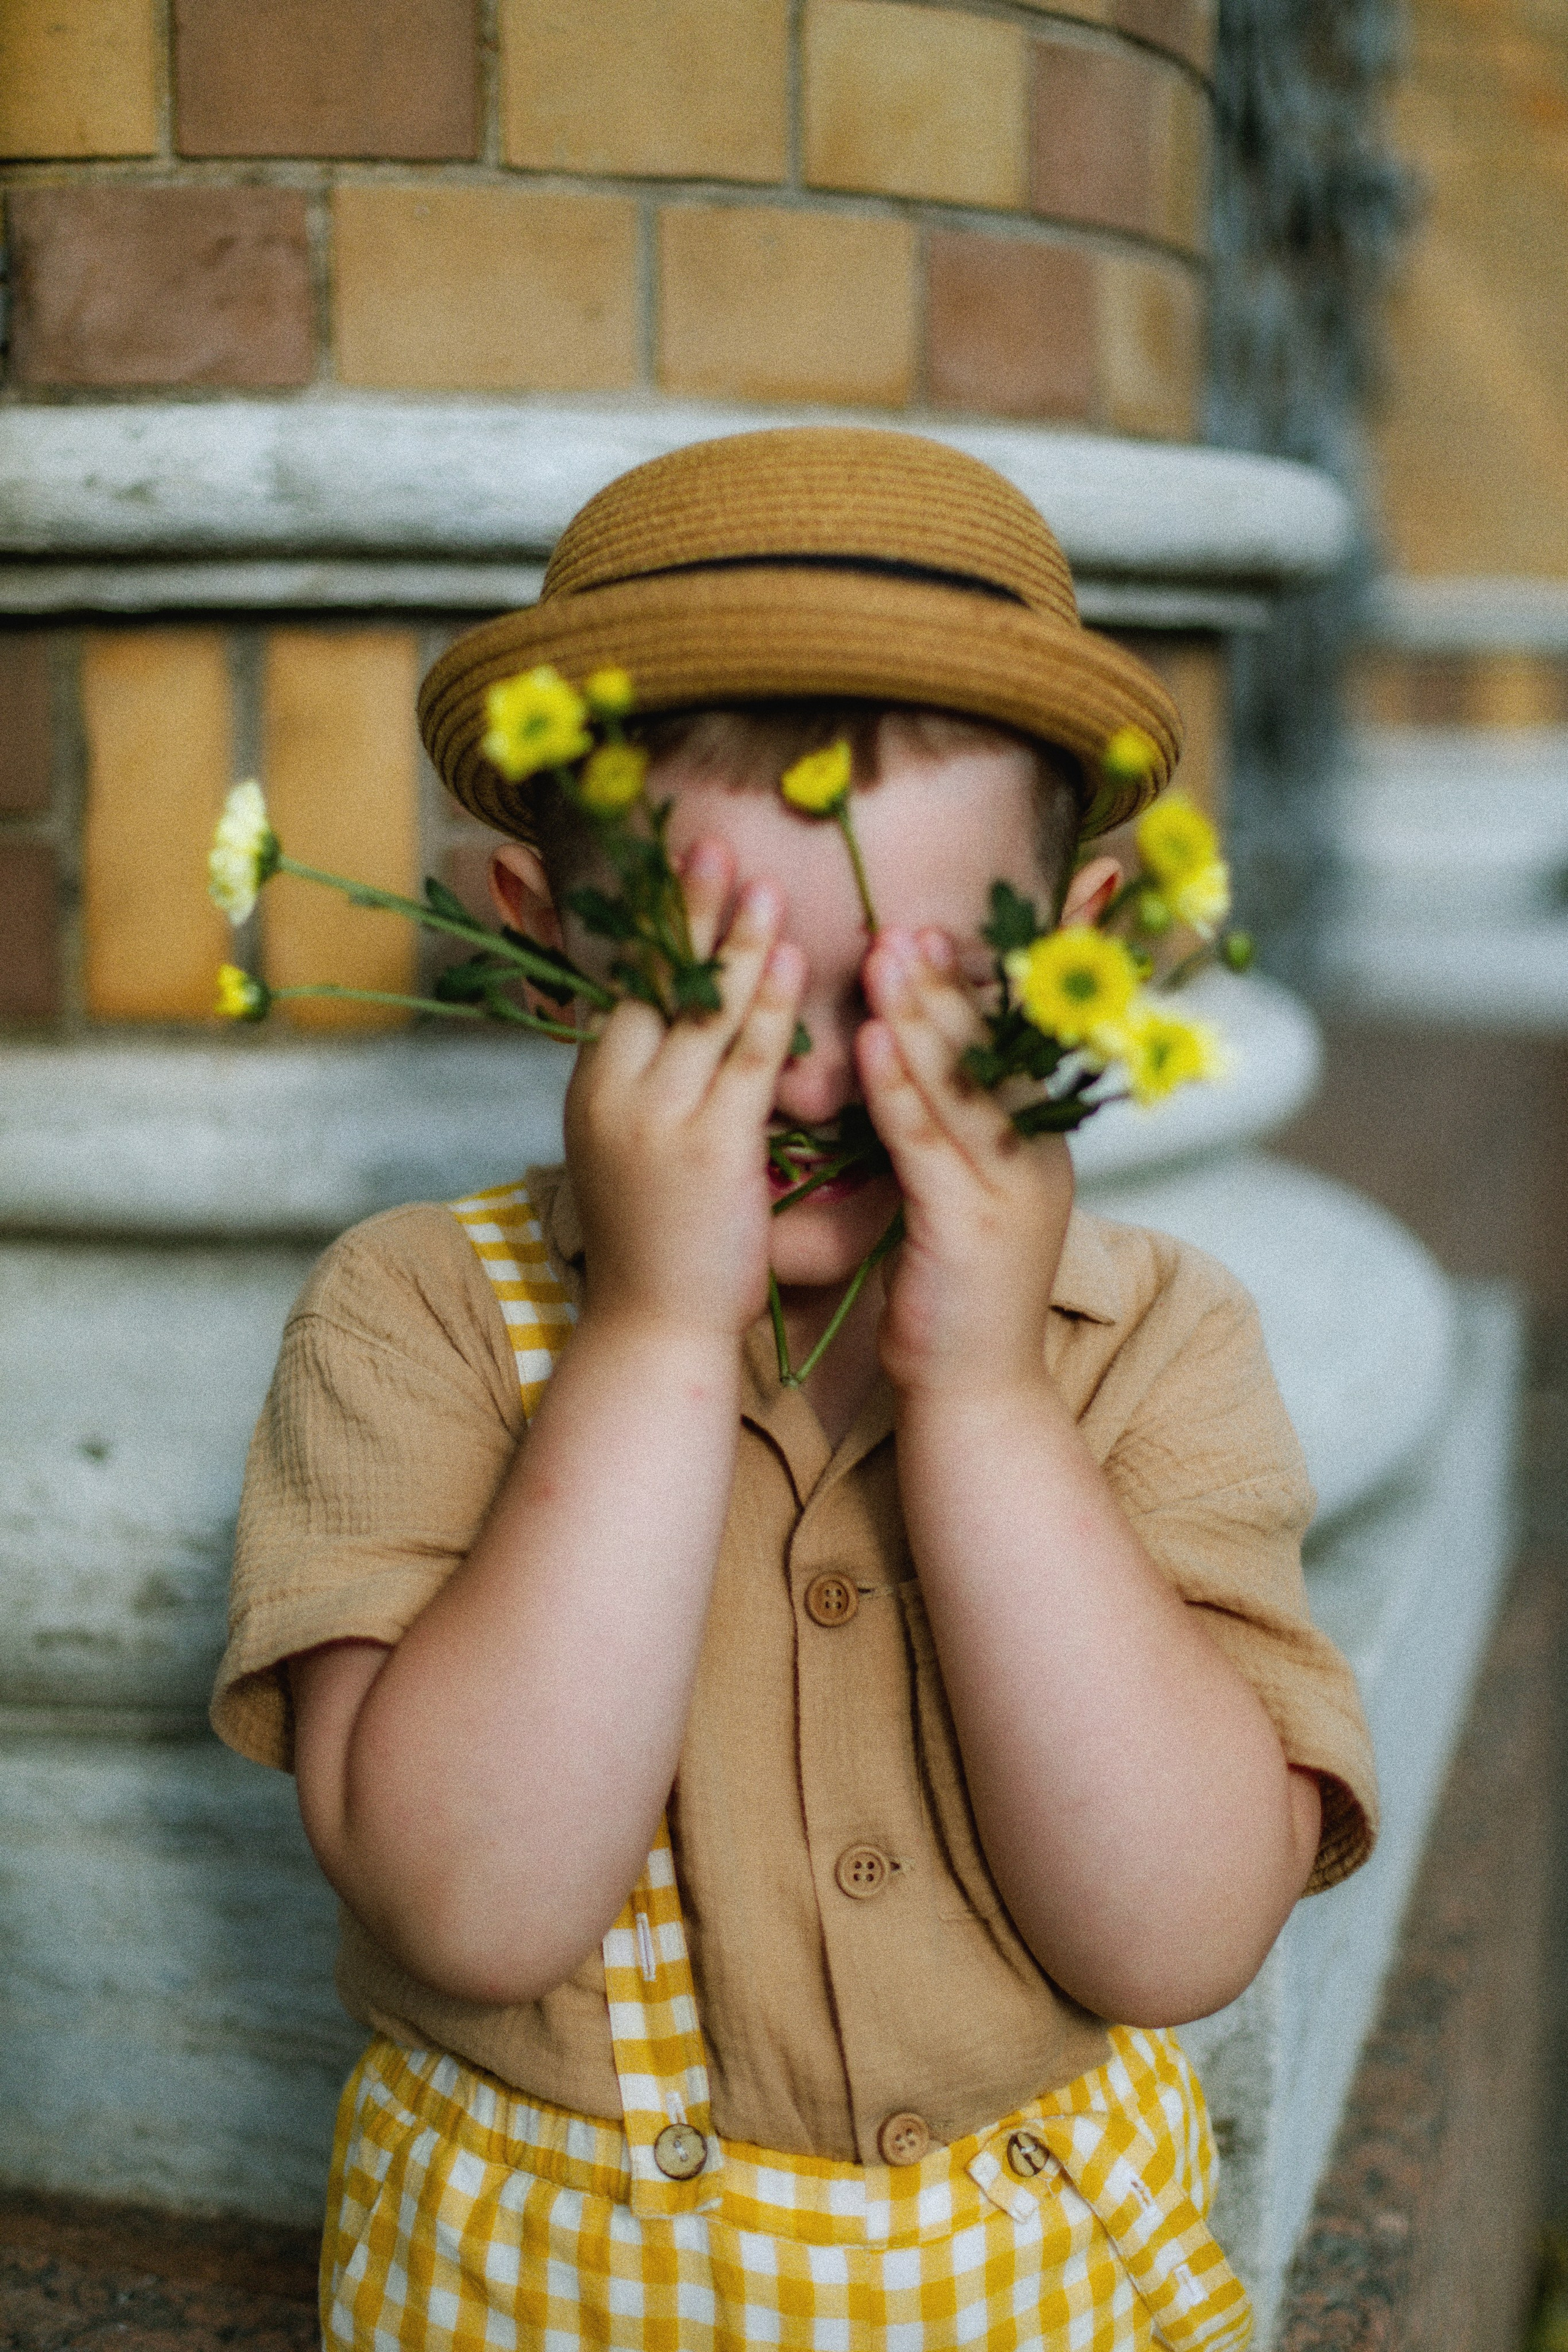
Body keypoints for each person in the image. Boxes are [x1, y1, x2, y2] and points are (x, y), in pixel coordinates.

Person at [213, 428, 1377, 2350]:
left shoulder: (1149, 1342)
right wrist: (658, 1342)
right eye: (725, 1003)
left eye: (911, 1001)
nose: (823, 1088)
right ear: (539, 938)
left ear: (1071, 958)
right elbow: (472, 1907)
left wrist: (991, 1408)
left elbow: (1178, 1940)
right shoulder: (420, 1317)